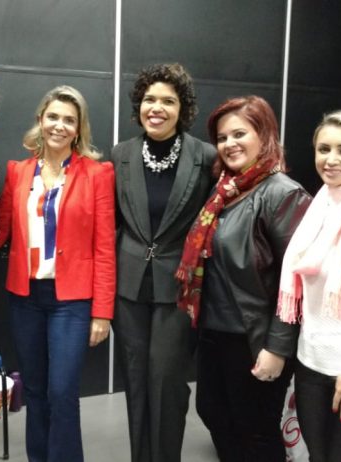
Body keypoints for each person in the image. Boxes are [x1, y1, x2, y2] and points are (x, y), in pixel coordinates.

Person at [176, 95, 311, 461]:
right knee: (214, 413)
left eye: (239, 134)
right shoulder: (224, 190)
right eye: (222, 137)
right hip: (215, 331)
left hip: (253, 337)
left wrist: (277, 348)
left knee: (255, 430)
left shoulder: (283, 193)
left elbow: (297, 284)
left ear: (263, 135)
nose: (229, 144)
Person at [0, 85, 115, 462]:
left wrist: (102, 312)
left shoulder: (97, 174)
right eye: (53, 117)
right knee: (34, 390)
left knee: (62, 392)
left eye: (69, 120)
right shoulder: (18, 172)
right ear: (40, 120)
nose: (59, 126)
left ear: (79, 129)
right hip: (25, 298)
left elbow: (104, 248)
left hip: (71, 302)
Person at [111, 63, 216, 462]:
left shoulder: (205, 156)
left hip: (179, 288)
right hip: (129, 287)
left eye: (168, 101)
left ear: (181, 108)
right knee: (136, 380)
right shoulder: (121, 154)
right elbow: (113, 223)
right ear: (139, 105)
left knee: (167, 382)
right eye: (149, 99)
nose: (157, 108)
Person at [278, 111, 341, 462]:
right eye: (324, 149)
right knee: (317, 456)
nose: (331, 159)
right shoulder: (320, 204)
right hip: (310, 362)